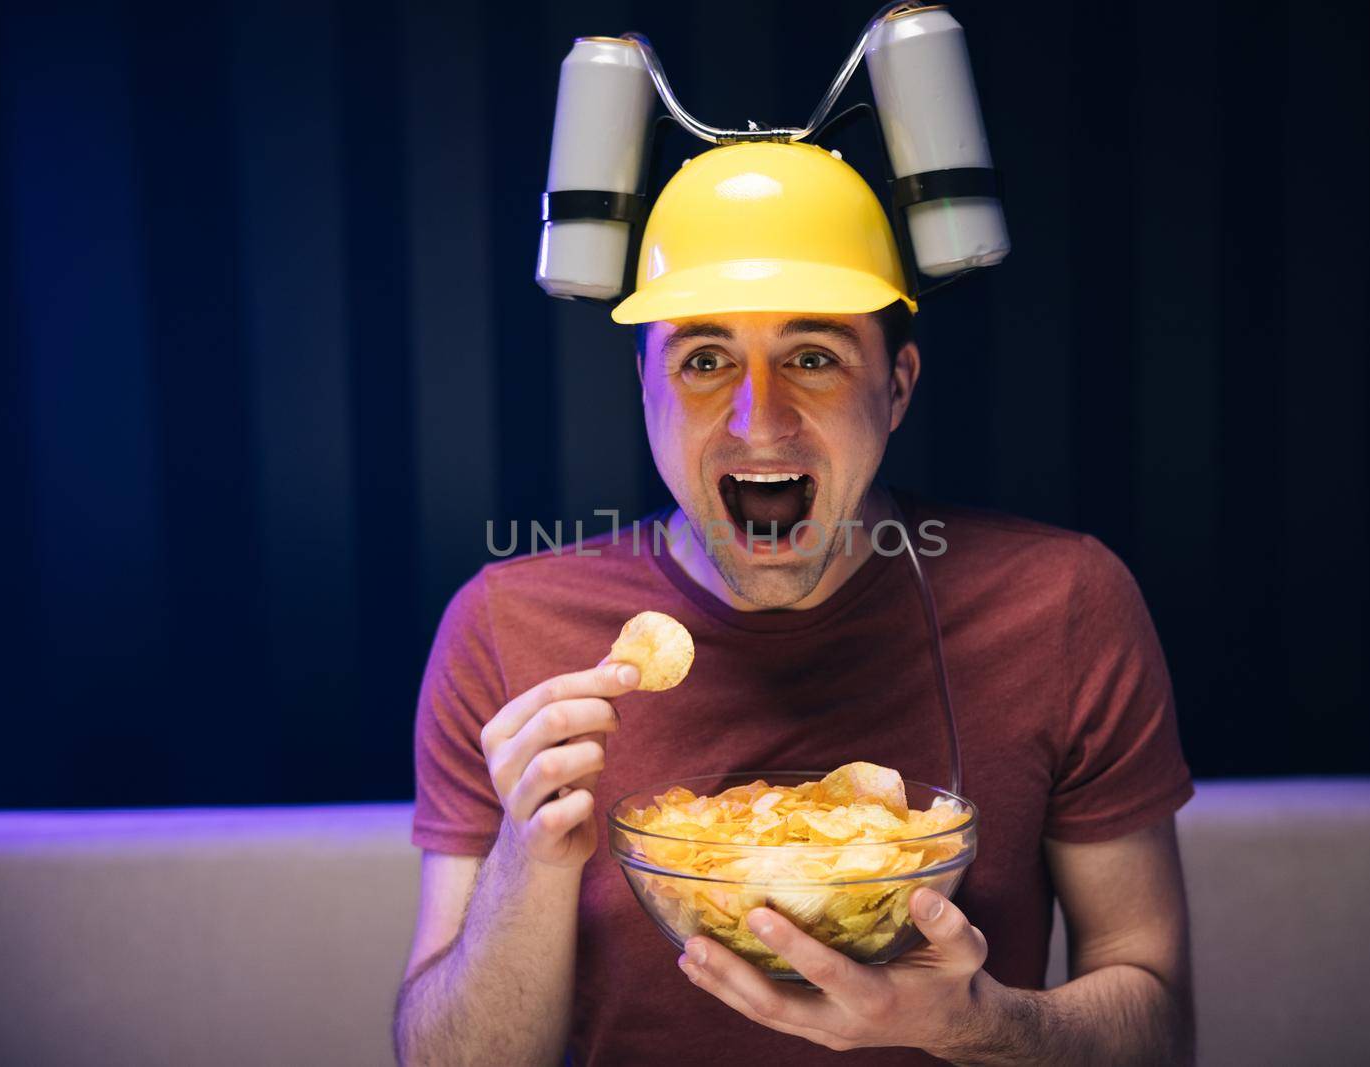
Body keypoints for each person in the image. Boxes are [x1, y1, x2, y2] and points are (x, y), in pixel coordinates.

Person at [393, 142, 1194, 1065]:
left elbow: (1159, 1028)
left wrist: (975, 1024)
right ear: (643, 390)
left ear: (895, 390)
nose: (756, 419)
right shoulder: (506, 627)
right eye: (703, 360)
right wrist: (525, 866)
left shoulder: (1066, 606)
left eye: (813, 355)